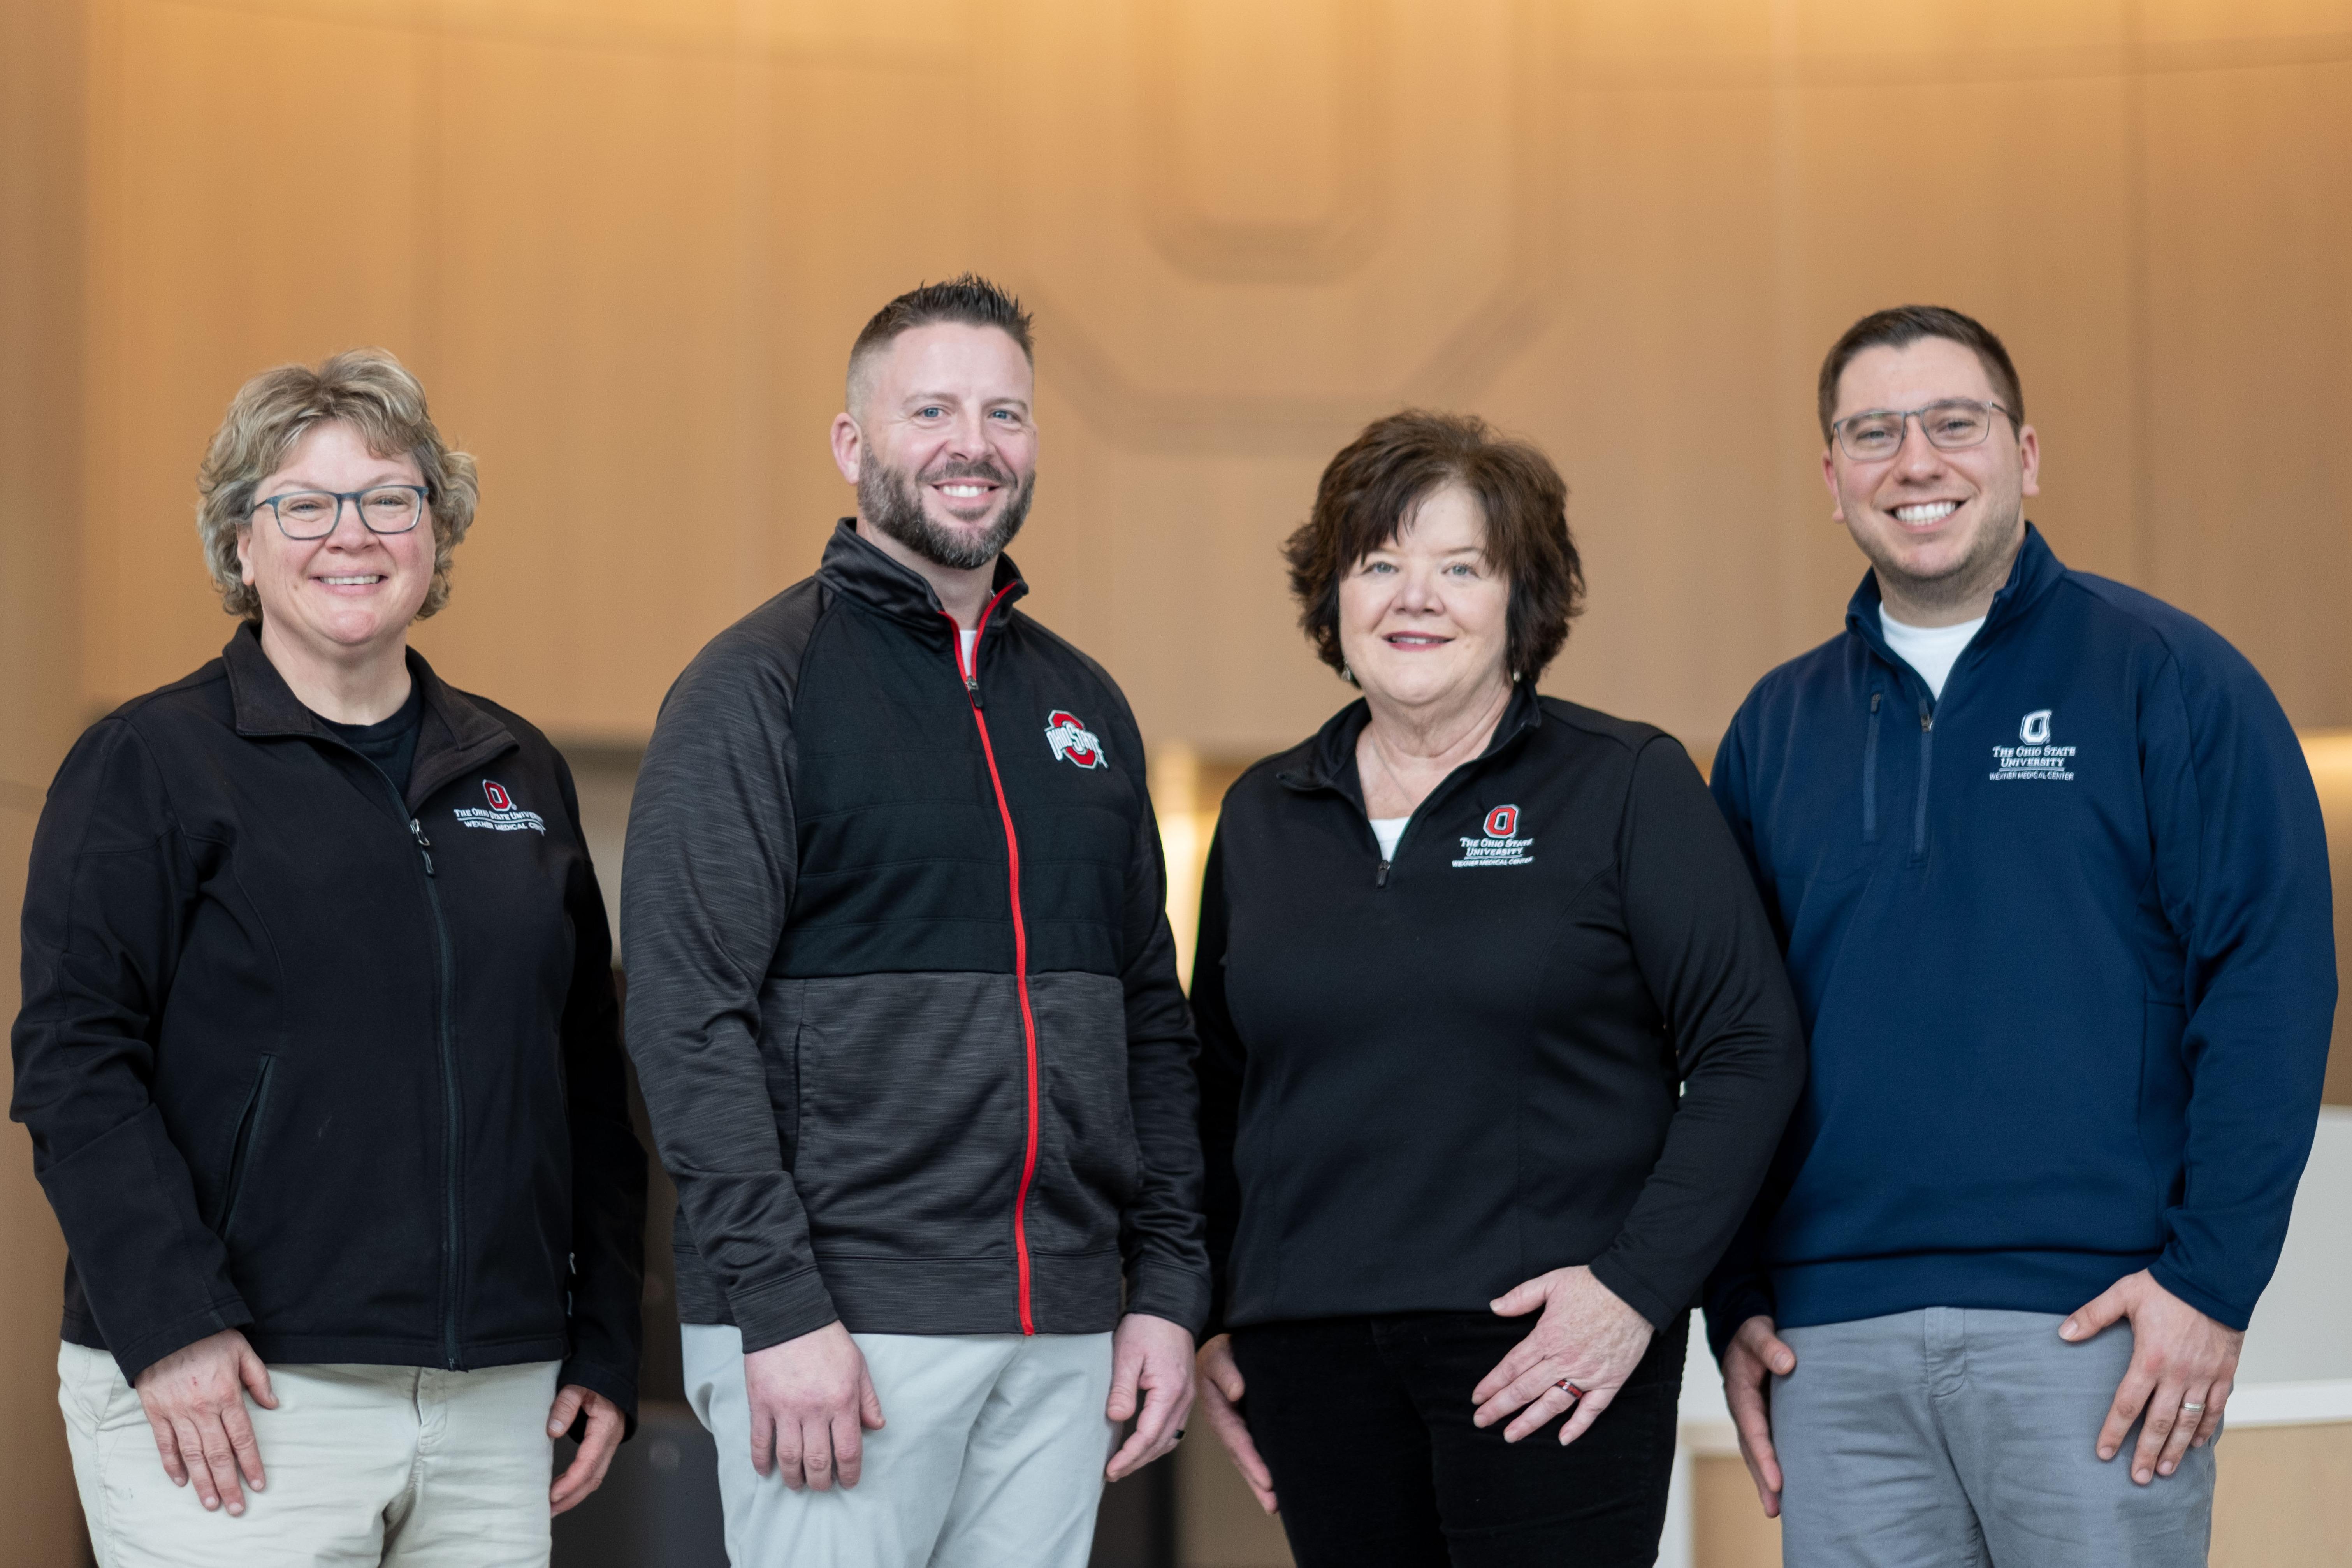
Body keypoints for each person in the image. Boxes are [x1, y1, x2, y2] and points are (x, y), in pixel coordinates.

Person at [1705, 305, 2336, 1567]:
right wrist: (1736, 1295)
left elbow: (2268, 983)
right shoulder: (1773, 730)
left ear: (2026, 453)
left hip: (2093, 1332)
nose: (1915, 461)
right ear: (1831, 479)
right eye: (1872, 433)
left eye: (1954, 423)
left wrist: (2211, 1286)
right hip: (1833, 1341)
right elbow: (1723, 1041)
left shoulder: (2168, 676)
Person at [11, 349, 647, 1566]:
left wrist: (604, 1334)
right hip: (241, 1387)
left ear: (435, 534)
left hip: (492, 1390)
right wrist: (173, 1324)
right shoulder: (151, 763)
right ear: (241, 546)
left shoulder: (519, 771)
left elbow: (586, 1093)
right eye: (301, 503)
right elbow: (72, 1063)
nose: (349, 534)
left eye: (389, 499)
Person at [620, 275, 1206, 1568]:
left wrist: (1165, 1288)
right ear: (852, 444)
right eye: (930, 407)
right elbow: (684, 1019)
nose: (972, 443)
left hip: (1062, 1325)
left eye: (1004, 413)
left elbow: (1148, 1025)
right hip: (838, 1326)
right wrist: (777, 1309)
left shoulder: (1081, 705)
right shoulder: (754, 687)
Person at [1187, 410, 1807, 1568]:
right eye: (1378, 564)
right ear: (1332, 599)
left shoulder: (1623, 784)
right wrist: (1212, 1309)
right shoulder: (1264, 815)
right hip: (1310, 1356)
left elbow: (1747, 1046)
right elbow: (1218, 1083)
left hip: (1549, 1347)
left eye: (1459, 566)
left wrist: (1635, 1289)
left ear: (1520, 603)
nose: (1412, 597)